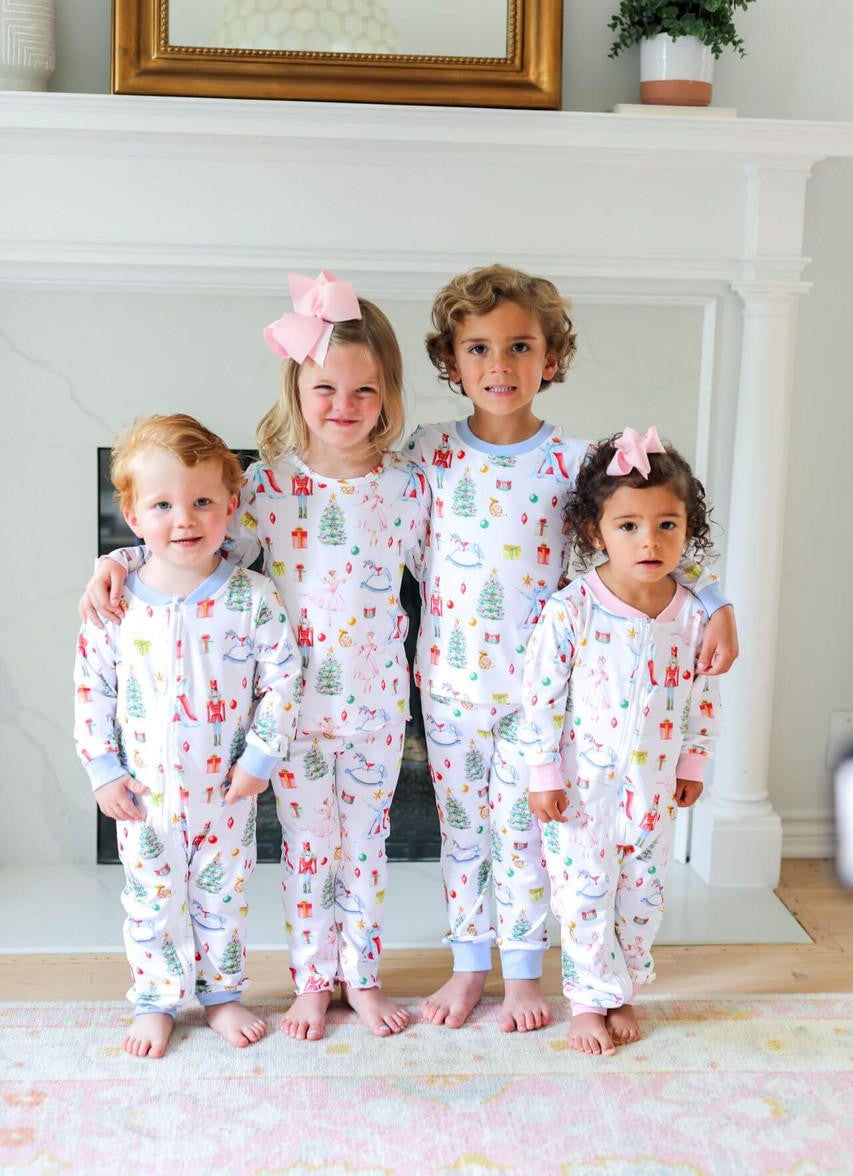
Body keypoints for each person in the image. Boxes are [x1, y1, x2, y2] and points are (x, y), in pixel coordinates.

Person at [79, 272, 429, 1042]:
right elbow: (194, 560)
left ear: (388, 394)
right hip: (287, 722)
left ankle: (361, 979)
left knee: (365, 853)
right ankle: (311, 981)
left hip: (375, 712)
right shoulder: (265, 487)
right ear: (297, 388)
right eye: (326, 387)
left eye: (364, 391)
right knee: (307, 854)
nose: (344, 405)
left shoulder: (412, 489)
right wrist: (115, 561)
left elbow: (456, 576)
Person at [407, 265, 738, 1033]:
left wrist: (715, 602)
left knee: (525, 837)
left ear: (549, 359)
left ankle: (525, 975)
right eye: (478, 349)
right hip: (451, 685)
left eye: (519, 346)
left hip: (552, 702)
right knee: (463, 834)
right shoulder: (426, 452)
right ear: (450, 363)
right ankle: (468, 966)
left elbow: (646, 540)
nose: (499, 366)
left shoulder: (577, 460)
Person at [74, 414, 300, 1059]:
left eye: (203, 501)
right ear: (133, 513)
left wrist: (260, 757)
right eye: (164, 504)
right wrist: (102, 768)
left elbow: (283, 679)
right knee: (150, 899)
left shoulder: (252, 597)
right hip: (145, 795)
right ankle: (158, 998)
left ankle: (223, 994)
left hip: (225, 790)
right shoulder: (115, 603)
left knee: (221, 896)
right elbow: (92, 689)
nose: (186, 518)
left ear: (231, 506)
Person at [521, 427, 720, 1055]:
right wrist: (543, 771)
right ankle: (586, 998)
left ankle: (624, 986)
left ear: (690, 532)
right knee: (584, 894)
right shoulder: (574, 609)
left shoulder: (693, 613)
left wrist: (694, 759)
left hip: (654, 790)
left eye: (668, 524)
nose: (651, 540)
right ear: (594, 532)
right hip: (584, 791)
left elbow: (704, 694)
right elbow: (540, 697)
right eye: (629, 525)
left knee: (641, 893)